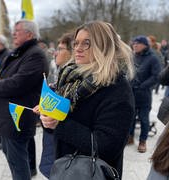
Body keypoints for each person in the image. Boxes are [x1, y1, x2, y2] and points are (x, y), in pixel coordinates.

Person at [39, 21, 135, 178]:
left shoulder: (117, 88)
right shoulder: (71, 78)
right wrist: (49, 119)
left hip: (93, 173)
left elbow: (107, 146)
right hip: (65, 168)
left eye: (87, 43)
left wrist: (60, 124)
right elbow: (59, 124)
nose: (78, 48)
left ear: (103, 46)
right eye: (76, 43)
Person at [0, 19, 48, 180]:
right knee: (12, 158)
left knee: (18, 163)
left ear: (29, 34)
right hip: (7, 117)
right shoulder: (21, 52)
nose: (13, 34)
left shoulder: (35, 55)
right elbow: (2, 75)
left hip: (16, 117)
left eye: (17, 30)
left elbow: (18, 83)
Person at [34, 32, 74, 178]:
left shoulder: (76, 81)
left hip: (67, 154)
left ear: (73, 53)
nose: (56, 53)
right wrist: (44, 108)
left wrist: (54, 117)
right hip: (53, 143)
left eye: (61, 48)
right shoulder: (61, 73)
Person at [128, 35, 161, 153]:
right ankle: (130, 137)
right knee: (130, 117)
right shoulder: (132, 56)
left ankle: (143, 141)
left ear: (144, 45)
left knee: (143, 119)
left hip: (144, 94)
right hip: (131, 93)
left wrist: (142, 86)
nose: (134, 45)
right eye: (134, 43)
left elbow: (156, 76)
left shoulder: (153, 58)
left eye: (137, 43)